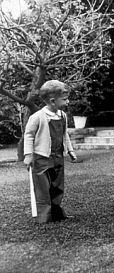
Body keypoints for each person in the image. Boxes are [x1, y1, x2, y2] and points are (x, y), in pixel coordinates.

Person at [23, 80, 77, 223]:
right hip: (42, 157)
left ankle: (57, 213)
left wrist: (70, 151)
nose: (68, 101)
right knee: (42, 187)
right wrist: (28, 155)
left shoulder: (62, 116)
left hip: (58, 156)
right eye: (64, 99)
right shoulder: (37, 117)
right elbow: (28, 135)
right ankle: (44, 217)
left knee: (57, 186)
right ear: (53, 101)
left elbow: (65, 134)